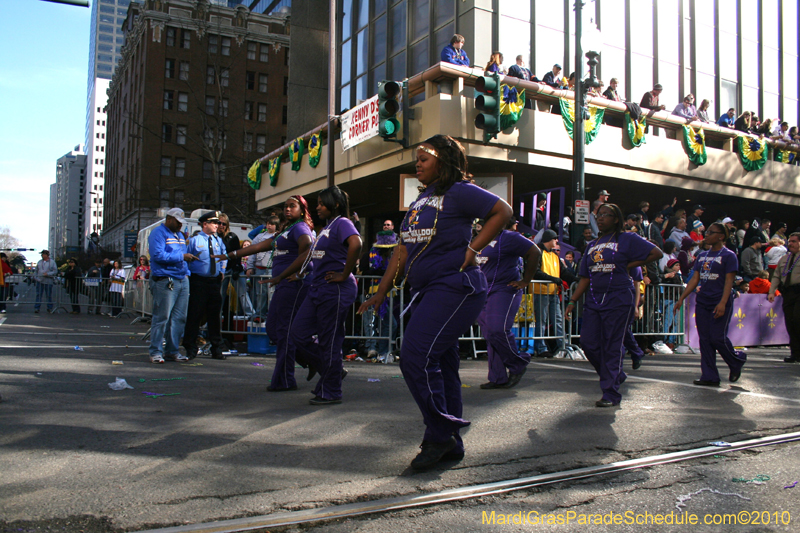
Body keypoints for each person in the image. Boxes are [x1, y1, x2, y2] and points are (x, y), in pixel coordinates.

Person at [359, 134, 512, 470]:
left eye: (423, 158)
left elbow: (502, 210)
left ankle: (440, 433)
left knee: (414, 356)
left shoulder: (458, 191)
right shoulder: (420, 201)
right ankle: (451, 442)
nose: (417, 164)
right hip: (428, 290)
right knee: (441, 364)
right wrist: (382, 291)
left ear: (442, 161)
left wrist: (473, 250)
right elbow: (402, 250)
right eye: (416, 159)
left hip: (456, 287)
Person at [565, 203, 662, 407]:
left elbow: (656, 253)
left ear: (616, 219)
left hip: (619, 297)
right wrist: (572, 301)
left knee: (612, 345)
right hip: (594, 299)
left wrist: (629, 264)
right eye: (598, 215)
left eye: (605, 215)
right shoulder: (592, 245)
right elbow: (584, 277)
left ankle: (610, 393)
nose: (600, 219)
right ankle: (615, 374)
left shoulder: (627, 238)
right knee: (588, 343)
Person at [228, 196, 315, 391]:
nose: (287, 209)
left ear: (302, 210)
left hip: (292, 285)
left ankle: (285, 379)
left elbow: (308, 248)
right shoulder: (287, 230)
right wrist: (231, 255)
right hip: (283, 284)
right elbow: (260, 246)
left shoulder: (301, 228)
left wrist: (295, 273)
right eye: (285, 206)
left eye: (292, 206)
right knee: (273, 329)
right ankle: (316, 360)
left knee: (283, 331)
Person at [290, 186, 362, 405]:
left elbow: (356, 243)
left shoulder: (343, 223)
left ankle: (331, 390)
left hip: (336, 289)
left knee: (329, 341)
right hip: (318, 288)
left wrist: (345, 273)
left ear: (336, 204)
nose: (317, 207)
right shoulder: (326, 227)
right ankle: (331, 371)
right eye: (317, 203)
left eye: (322, 203)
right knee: (298, 334)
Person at [675, 223, 746, 386]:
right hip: (703, 301)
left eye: (710, 232)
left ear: (721, 236)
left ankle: (737, 360)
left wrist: (722, 302)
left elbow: (729, 281)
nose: (706, 235)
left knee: (717, 337)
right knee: (705, 339)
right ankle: (709, 376)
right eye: (706, 232)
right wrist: (682, 298)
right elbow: (695, 279)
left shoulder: (729, 255)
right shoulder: (702, 255)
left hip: (719, 301)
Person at [476, 218, 541, 388]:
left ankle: (518, 363)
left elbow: (535, 252)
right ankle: (497, 377)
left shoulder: (509, 237)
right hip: (482, 291)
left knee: (497, 329)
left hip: (504, 289)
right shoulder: (478, 239)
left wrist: (525, 281)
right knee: (490, 334)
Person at [147, 208, 198, 364]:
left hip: (181, 278)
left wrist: (186, 271)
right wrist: (182, 257)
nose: (180, 226)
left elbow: (182, 256)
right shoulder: (158, 233)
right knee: (162, 317)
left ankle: (172, 351)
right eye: (177, 222)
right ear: (169, 219)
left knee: (179, 318)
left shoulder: (180, 235)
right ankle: (156, 351)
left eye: (181, 223)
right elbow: (157, 255)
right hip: (165, 279)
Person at [183, 211, 228, 360]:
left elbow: (224, 255)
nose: (218, 225)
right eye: (214, 223)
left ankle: (216, 347)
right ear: (205, 224)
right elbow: (186, 258)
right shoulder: (194, 240)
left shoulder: (218, 240)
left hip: (214, 282)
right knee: (195, 314)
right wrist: (188, 273)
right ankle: (190, 347)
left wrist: (222, 270)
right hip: (198, 281)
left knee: (214, 316)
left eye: (219, 223)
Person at [533, 230, 573, 358]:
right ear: (549, 239)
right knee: (541, 321)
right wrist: (552, 279)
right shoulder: (539, 253)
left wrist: (576, 278)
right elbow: (536, 272)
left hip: (553, 292)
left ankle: (563, 346)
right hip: (540, 292)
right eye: (555, 239)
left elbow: (564, 272)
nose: (556, 242)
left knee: (558, 320)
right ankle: (541, 347)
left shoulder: (554, 256)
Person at [362, 230, 400, 360]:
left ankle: (383, 350)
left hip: (387, 296)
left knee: (389, 324)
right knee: (371, 323)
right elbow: (364, 272)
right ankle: (372, 349)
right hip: (371, 294)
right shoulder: (368, 256)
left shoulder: (393, 258)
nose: (389, 250)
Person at [768, 233, 800, 362]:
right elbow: (776, 276)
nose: (790, 244)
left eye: (793, 241)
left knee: (798, 320)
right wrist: (771, 291)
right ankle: (795, 353)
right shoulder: (784, 259)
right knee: (790, 322)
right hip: (788, 293)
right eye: (790, 241)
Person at [246, 215, 280, 319]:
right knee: (260, 293)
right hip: (259, 269)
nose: (269, 226)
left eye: (272, 224)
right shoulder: (259, 237)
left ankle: (272, 314)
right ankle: (259, 314)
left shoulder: (279, 237)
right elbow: (252, 252)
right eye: (268, 223)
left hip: (272, 270)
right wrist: (249, 267)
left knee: (271, 294)